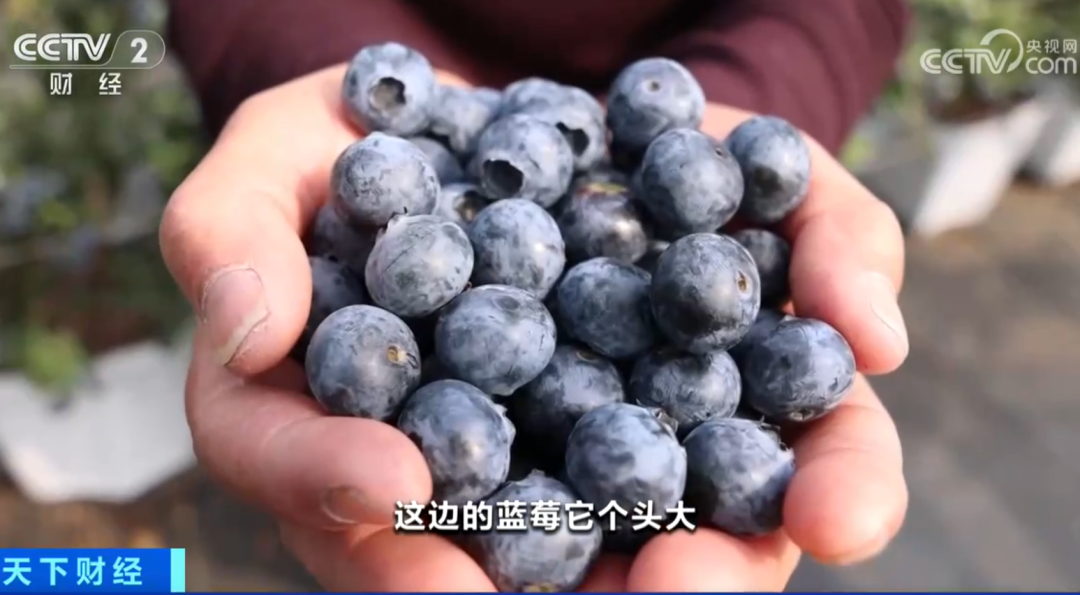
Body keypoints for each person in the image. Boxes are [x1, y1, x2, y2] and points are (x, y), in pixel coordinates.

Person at [159, 0, 911, 590]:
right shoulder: (424, 240)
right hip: (449, 116)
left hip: (645, 137)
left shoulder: (679, 262)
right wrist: (304, 67)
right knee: (362, 489)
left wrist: (741, 121)